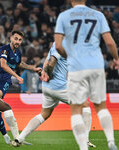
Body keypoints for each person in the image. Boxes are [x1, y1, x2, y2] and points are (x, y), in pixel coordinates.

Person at [54, 0, 119, 150]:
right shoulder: (98, 15)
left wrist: (69, 56)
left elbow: (58, 45)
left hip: (76, 67)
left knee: (76, 109)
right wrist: (116, 58)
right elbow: (109, 42)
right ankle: (111, 141)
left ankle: (84, 147)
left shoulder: (63, 16)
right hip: (96, 65)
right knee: (101, 106)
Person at [11, 42, 95, 148]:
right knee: (85, 105)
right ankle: (85, 140)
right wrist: (49, 75)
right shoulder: (63, 44)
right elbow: (51, 63)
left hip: (47, 87)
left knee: (45, 114)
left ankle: (20, 138)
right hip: (58, 86)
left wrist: (44, 74)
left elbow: (47, 62)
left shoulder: (57, 43)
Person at [0, 30, 42, 144]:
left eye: (20, 40)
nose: (18, 41)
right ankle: (6, 136)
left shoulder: (18, 53)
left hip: (4, 81)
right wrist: (17, 76)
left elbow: (20, 64)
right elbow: (3, 65)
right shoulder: (4, 49)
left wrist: (33, 68)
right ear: (11, 38)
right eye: (16, 39)